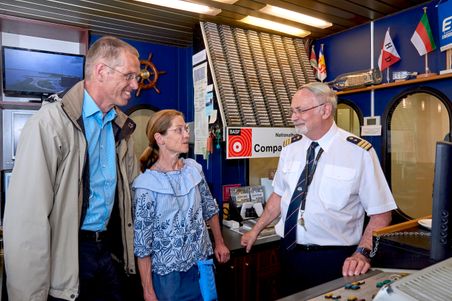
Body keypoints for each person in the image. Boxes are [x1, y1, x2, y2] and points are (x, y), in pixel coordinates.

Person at [3, 36, 142, 301]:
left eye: (137, 78)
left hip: (110, 253)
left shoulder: (122, 129)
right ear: (101, 71)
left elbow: (132, 196)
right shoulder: (49, 124)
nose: (135, 85)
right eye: (129, 76)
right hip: (68, 255)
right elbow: (26, 223)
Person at [241, 82, 397, 297]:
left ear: (325, 110)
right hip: (289, 252)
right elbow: (279, 196)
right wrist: (255, 230)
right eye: (292, 111)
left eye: (300, 110)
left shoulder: (359, 152)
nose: (294, 117)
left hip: (333, 259)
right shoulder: (290, 148)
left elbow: (381, 214)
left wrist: (362, 254)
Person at [133, 109, 230, 301]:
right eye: (179, 130)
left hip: (202, 266)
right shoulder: (146, 185)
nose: (187, 134)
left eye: (186, 129)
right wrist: (148, 290)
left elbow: (209, 208)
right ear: (160, 138)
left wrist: (219, 242)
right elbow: (143, 244)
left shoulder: (193, 169)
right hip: (169, 278)